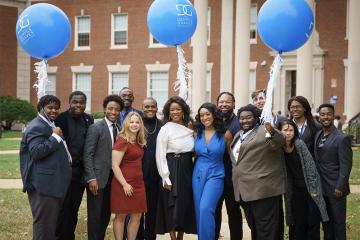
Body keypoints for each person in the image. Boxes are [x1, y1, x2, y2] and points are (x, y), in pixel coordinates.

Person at [19, 95, 72, 240]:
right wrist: (54, 137)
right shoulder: (37, 126)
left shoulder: (49, 124)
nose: (54, 110)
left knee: (50, 226)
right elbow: (36, 152)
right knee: (44, 227)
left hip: (52, 184)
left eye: (56, 108)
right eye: (50, 107)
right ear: (41, 108)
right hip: (44, 186)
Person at [231, 104, 285, 240]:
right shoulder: (238, 134)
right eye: (241, 118)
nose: (244, 121)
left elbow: (279, 141)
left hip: (263, 189)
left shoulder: (264, 131)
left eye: (248, 117)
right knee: (255, 227)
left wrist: (272, 131)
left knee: (266, 230)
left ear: (256, 118)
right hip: (244, 191)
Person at [279, 120, 328, 240]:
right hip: (294, 190)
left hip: (309, 188)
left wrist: (313, 189)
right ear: (279, 131)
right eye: (285, 130)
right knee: (298, 220)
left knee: (312, 220)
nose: (288, 133)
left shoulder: (299, 144)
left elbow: (310, 166)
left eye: (291, 130)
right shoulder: (279, 148)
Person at [155, 96, 196, 240]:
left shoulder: (191, 128)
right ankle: (173, 238)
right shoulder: (165, 129)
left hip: (187, 168)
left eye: (178, 109)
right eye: (172, 109)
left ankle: (180, 236)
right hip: (171, 167)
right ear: (168, 112)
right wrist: (165, 177)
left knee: (185, 202)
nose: (175, 112)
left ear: (183, 110)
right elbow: (160, 154)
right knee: (171, 204)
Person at [83, 94, 123, 240]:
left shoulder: (119, 128)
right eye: (110, 108)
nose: (113, 112)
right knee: (95, 216)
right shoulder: (96, 127)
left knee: (106, 214)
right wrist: (91, 178)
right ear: (105, 109)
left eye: (117, 109)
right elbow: (87, 154)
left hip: (112, 180)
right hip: (97, 180)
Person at [55, 91, 94, 240]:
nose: (78, 105)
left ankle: (69, 236)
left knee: (74, 210)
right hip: (63, 172)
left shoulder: (88, 119)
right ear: (69, 102)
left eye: (81, 102)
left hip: (80, 174)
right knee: (62, 210)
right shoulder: (60, 119)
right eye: (75, 102)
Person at [192, 103, 232, 240]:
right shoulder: (196, 132)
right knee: (199, 211)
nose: (204, 117)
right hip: (197, 174)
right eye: (202, 115)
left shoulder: (225, 134)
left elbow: (234, 157)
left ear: (214, 115)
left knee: (205, 208)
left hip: (216, 174)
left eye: (207, 114)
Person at [315, 104, 352, 240]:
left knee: (338, 223)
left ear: (333, 115)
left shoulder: (342, 138)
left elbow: (346, 165)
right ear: (319, 117)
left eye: (328, 114)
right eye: (322, 114)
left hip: (336, 188)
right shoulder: (318, 134)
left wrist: (340, 186)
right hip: (321, 188)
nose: (325, 117)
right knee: (326, 222)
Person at [111, 112, 147, 240]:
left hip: (138, 184)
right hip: (123, 184)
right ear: (126, 124)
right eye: (131, 122)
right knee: (121, 215)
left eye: (137, 122)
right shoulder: (122, 141)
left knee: (137, 215)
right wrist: (125, 184)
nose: (134, 124)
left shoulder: (138, 141)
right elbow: (114, 165)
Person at [215, 92, 243, 240]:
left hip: (233, 174)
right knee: (215, 209)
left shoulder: (239, 122)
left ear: (233, 103)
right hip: (215, 173)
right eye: (221, 102)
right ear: (217, 103)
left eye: (228, 102)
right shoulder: (212, 121)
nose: (224, 104)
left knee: (233, 210)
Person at [138, 97, 163, 240]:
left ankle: (150, 237)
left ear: (157, 108)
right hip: (138, 174)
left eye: (153, 107)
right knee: (137, 211)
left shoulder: (162, 125)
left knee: (152, 211)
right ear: (142, 107)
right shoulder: (136, 124)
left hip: (155, 175)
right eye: (147, 107)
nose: (150, 109)